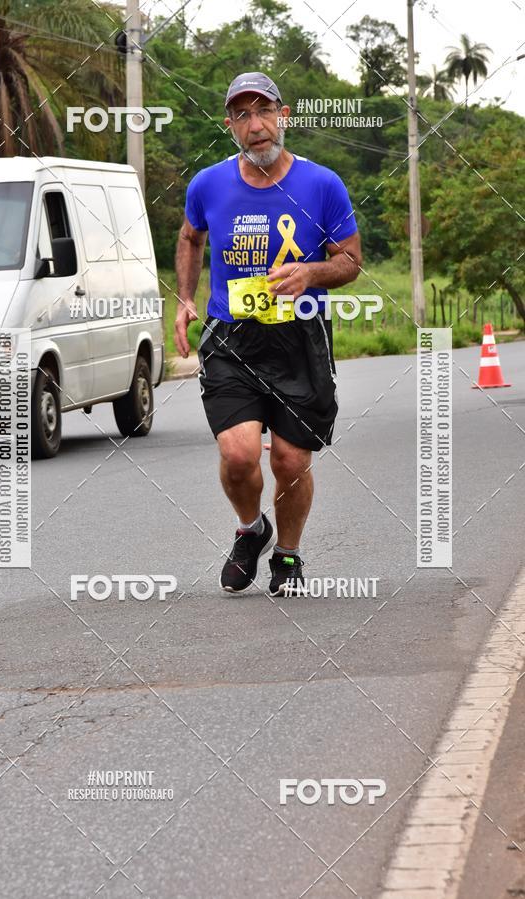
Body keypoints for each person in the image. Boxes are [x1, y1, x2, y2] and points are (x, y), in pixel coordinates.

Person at [174, 71, 362, 596]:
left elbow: (350, 260)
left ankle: (288, 554)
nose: (255, 125)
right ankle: (251, 529)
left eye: (264, 112)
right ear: (231, 124)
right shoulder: (207, 184)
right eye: (242, 115)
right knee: (238, 455)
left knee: (290, 459)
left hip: (299, 337)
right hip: (233, 337)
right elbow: (191, 237)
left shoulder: (322, 184)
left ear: (283, 115)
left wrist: (311, 273)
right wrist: (186, 300)